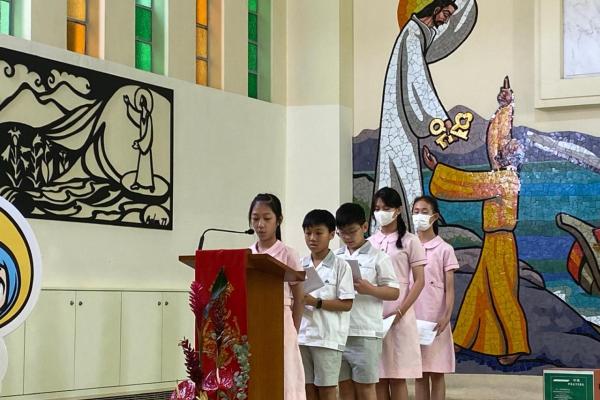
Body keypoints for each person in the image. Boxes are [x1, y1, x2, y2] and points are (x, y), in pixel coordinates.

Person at [423, 77, 530, 365]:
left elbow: (469, 185)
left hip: (501, 242)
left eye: (507, 150)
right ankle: (462, 338)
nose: (500, 151)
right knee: (479, 290)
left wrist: (438, 169)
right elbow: (497, 140)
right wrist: (505, 106)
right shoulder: (502, 173)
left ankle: (515, 343)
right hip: (493, 241)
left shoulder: (505, 179)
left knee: (502, 292)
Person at [374, 0, 477, 221]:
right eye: (446, 14)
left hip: (401, 118)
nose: (447, 20)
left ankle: (404, 226)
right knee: (402, 171)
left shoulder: (421, 33)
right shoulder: (412, 36)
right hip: (399, 120)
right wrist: (439, 118)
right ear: (436, 8)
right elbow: (418, 81)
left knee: (403, 171)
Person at [334, 203, 400, 400]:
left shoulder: (379, 257)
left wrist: (370, 289)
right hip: (339, 332)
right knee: (345, 389)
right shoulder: (336, 257)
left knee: (366, 389)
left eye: (352, 231)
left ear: (364, 227)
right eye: (342, 233)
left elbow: (394, 292)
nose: (347, 237)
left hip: (365, 332)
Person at [368, 187, 426, 400]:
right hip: (374, 313)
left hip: (401, 313)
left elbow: (419, 281)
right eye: (377, 209)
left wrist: (401, 311)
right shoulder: (370, 242)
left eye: (386, 208)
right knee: (379, 376)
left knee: (397, 375)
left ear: (398, 210)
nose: (380, 212)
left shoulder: (411, 241)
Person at [248, 193, 306, 400]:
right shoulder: (246, 254)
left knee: (284, 374)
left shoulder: (288, 253)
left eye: (267, 218)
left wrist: (294, 329)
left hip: (281, 322)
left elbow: (299, 297)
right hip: (253, 321)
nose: (260, 224)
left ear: (278, 220)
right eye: (255, 218)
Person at [298, 209, 355, 400]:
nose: (312, 238)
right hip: (303, 336)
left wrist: (316, 302)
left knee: (327, 389)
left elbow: (347, 304)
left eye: (318, 233)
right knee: (307, 388)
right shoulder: (300, 264)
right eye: (308, 233)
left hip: (327, 337)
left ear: (331, 234)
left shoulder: (341, 266)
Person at [411, 196, 459, 400]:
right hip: (413, 317)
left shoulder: (444, 249)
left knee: (437, 373)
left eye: (424, 212)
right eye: (415, 212)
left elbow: (449, 289)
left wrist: (446, 316)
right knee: (419, 373)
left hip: (436, 319)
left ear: (435, 216)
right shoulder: (408, 246)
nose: (419, 216)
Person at [123, 87, 155, 192]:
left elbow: (149, 133)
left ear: (144, 103)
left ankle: (150, 185)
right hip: (143, 145)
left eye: (141, 100)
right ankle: (138, 183)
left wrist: (141, 143)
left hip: (146, 145)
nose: (140, 103)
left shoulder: (148, 117)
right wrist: (128, 103)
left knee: (147, 165)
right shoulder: (141, 115)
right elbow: (134, 114)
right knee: (141, 165)